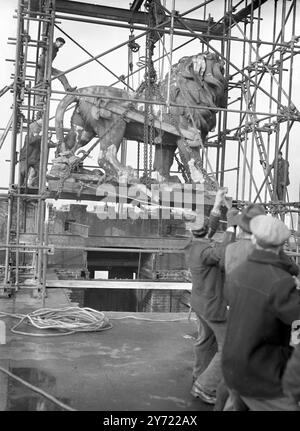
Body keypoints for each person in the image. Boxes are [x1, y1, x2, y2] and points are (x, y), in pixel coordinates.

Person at [222, 215, 300, 411]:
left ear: (254, 240)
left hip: (233, 367)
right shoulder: (281, 282)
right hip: (262, 376)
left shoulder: (237, 273)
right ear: (281, 246)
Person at [186, 188, 237, 405]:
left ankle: (199, 374)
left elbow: (209, 229)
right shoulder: (207, 253)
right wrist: (233, 224)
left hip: (199, 303)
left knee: (205, 341)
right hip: (212, 306)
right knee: (229, 349)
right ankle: (204, 386)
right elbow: (224, 251)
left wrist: (218, 204)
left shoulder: (193, 245)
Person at [36, 37, 76, 117]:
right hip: (42, 67)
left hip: (47, 67)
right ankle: (39, 109)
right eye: (60, 44)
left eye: (62, 45)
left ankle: (68, 89)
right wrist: (44, 42)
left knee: (60, 75)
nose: (61, 46)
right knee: (43, 87)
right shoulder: (51, 46)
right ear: (56, 41)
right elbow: (43, 46)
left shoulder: (55, 49)